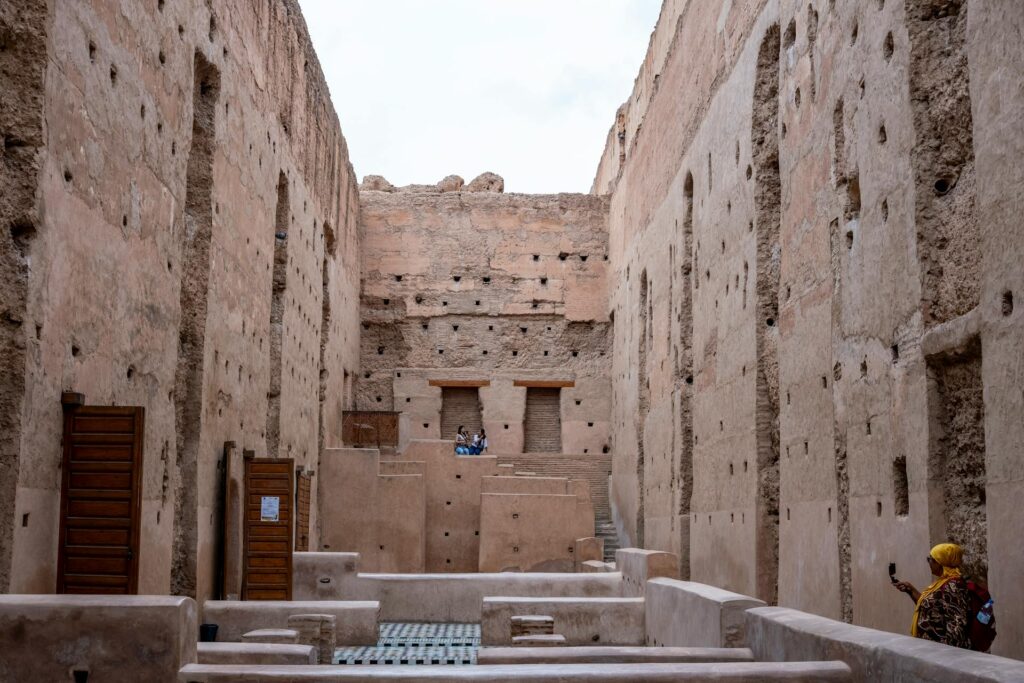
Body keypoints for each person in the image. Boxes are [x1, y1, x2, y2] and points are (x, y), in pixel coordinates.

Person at [892, 542, 971, 648]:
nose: (929, 562)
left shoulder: (954, 586)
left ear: (940, 562)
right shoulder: (942, 582)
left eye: (931, 559)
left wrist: (947, 655)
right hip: (930, 648)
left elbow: (957, 624)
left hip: (940, 652)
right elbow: (930, 608)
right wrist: (910, 590)